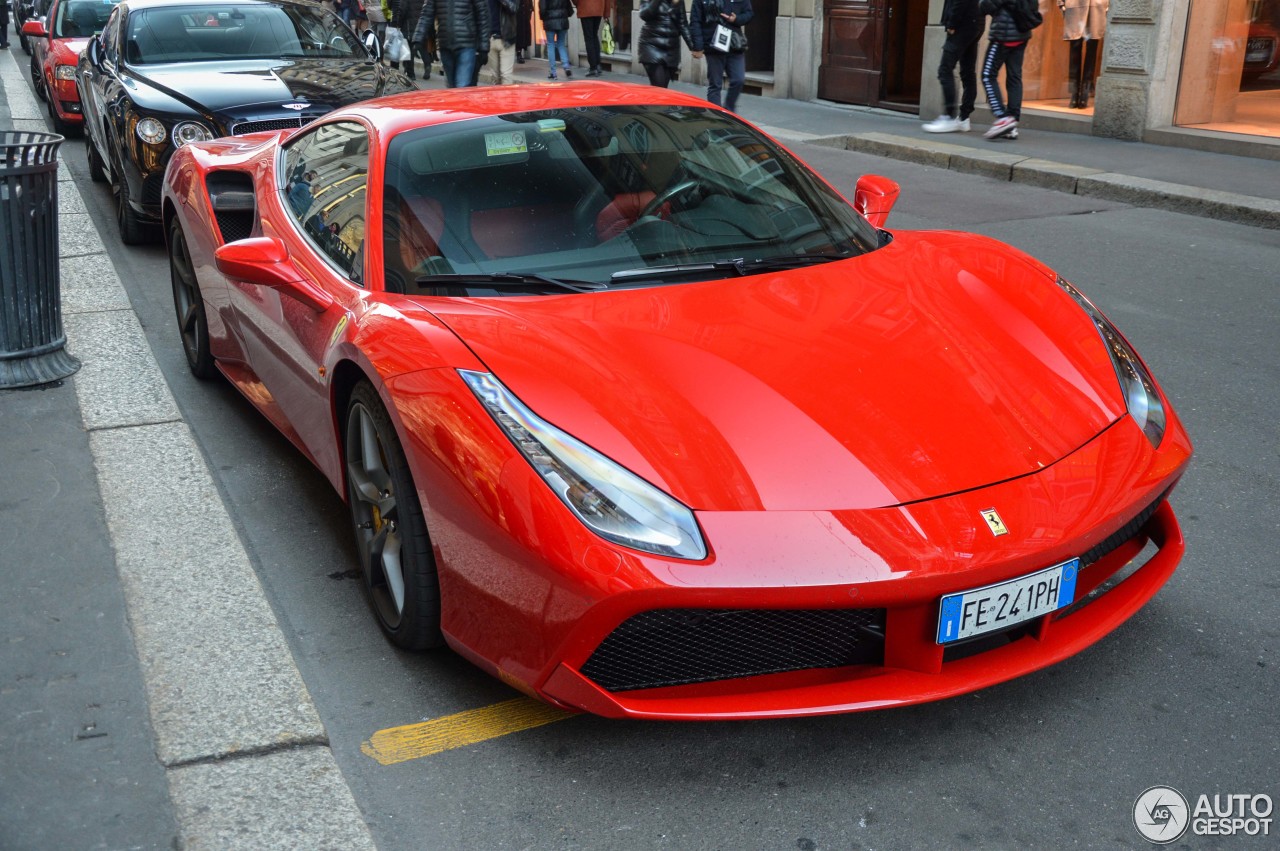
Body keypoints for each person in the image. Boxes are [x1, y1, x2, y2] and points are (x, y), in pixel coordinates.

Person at [922, 0, 983, 133]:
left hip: (962, 24)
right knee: (968, 72)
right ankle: (964, 118)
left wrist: (952, 23)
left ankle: (949, 117)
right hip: (974, 22)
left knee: (945, 69)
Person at [979, 0, 1032, 140]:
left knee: (987, 75)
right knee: (1014, 77)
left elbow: (986, 6)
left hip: (1003, 34)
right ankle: (1012, 124)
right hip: (1021, 33)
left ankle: (1003, 118)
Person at [688, 0, 752, 113]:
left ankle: (729, 111)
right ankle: (716, 116)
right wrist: (698, 47)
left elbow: (749, 14)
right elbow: (695, 21)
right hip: (713, 45)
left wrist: (736, 19)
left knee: (738, 79)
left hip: (734, 45)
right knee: (715, 85)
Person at [414, 0, 490, 87]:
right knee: (451, 87)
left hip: (466, 44)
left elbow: (483, 16)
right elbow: (426, 14)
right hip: (445, 45)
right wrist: (418, 38)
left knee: (462, 85)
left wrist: (484, 47)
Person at [1060, 0, 1106, 108]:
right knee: (1074, 52)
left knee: (1091, 52)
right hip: (1075, 6)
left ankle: (1085, 93)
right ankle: (1074, 94)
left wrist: (1108, 5)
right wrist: (1061, 3)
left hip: (1096, 8)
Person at [637, 0, 693, 88]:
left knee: (663, 88)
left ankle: (652, 101)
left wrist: (694, 47)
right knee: (659, 85)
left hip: (671, 49)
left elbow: (683, 24)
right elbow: (644, 15)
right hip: (651, 46)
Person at [539, 0, 573, 79]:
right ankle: (566, 66)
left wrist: (543, 17)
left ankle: (553, 72)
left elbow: (542, 9)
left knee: (551, 44)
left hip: (550, 21)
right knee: (561, 44)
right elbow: (569, 8)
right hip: (562, 21)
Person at [486, 0, 518, 84]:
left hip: (507, 39)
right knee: (495, 77)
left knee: (506, 75)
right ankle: (496, 97)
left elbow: (514, 8)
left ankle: (506, 97)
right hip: (491, 39)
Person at [395, 0, 426, 78]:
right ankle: (409, 71)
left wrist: (398, 24)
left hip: (408, 26)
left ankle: (410, 73)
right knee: (411, 50)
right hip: (418, 25)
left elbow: (402, 11)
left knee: (408, 51)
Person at [576, 0, 606, 76]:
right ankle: (598, 65)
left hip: (585, 8)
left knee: (589, 38)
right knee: (594, 36)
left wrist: (577, 3)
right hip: (599, 9)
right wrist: (606, 12)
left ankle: (593, 67)